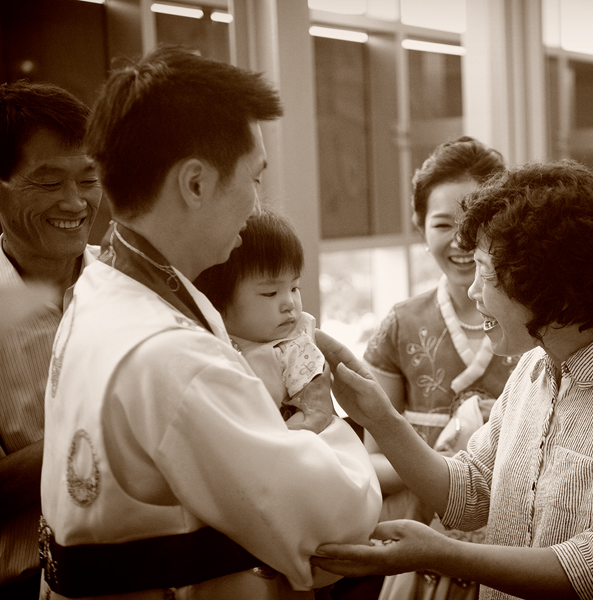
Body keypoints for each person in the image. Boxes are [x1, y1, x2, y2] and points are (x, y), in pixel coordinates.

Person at [38, 46, 381, 599]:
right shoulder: (169, 354)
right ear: (195, 184)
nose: (256, 205)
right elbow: (335, 517)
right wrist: (326, 416)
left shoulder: (99, 288)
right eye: (255, 179)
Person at [312, 160, 593, 599]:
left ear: (549, 288)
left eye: (485, 274)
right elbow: (469, 493)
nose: (472, 291)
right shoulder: (534, 367)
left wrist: (441, 553)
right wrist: (378, 415)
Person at [359, 136, 519, 599]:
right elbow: (369, 461)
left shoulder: (534, 322)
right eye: (443, 224)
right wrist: (448, 466)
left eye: (474, 223)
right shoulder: (401, 326)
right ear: (419, 226)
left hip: (518, 552)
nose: (461, 240)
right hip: (420, 557)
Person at [0, 80, 101, 597]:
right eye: (48, 182)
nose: (75, 202)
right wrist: (103, 427)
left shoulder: (138, 287)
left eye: (89, 178)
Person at [195, 209, 332, 427]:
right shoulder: (207, 342)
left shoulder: (294, 347)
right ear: (218, 302)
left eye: (294, 288)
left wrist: (279, 438)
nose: (290, 303)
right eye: (270, 293)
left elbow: (315, 415)